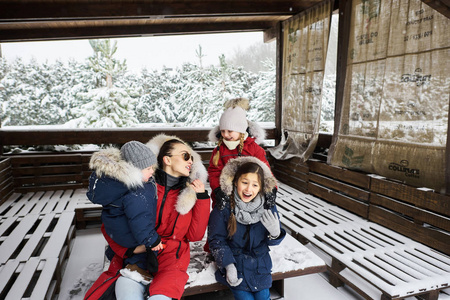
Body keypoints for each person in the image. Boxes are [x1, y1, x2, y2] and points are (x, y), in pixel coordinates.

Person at [84, 135, 210, 300]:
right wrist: (128, 250)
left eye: (192, 158)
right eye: (185, 155)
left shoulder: (189, 194)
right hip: (138, 257)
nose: (190, 161)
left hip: (172, 260)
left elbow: (195, 236)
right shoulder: (140, 188)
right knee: (126, 292)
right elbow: (110, 225)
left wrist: (201, 198)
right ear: (167, 159)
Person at [208, 156, 286, 300]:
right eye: (244, 182)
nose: (249, 189)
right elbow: (216, 240)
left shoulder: (268, 206)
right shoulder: (224, 207)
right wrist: (228, 265)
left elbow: (272, 242)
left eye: (255, 185)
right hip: (235, 266)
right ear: (236, 181)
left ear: (261, 186)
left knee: (263, 297)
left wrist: (275, 234)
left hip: (260, 267)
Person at [86, 140, 163, 284]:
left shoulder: (115, 183)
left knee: (131, 245)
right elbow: (140, 219)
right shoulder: (137, 190)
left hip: (116, 231)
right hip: (130, 235)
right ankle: (135, 268)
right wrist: (152, 240)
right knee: (146, 253)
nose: (152, 171)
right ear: (134, 170)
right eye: (148, 168)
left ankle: (119, 255)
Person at [208, 97, 274, 209]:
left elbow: (265, 170)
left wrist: (271, 190)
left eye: (230, 131)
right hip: (226, 195)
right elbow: (214, 171)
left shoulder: (253, 149)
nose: (225, 135)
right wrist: (218, 189)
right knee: (222, 221)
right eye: (223, 131)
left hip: (248, 193)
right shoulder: (219, 150)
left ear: (241, 130)